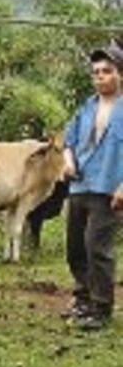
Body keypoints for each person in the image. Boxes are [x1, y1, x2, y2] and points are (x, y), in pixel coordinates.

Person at [61, 43, 123, 331]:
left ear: (120, 74)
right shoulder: (87, 106)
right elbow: (68, 140)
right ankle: (83, 299)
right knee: (75, 247)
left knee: (97, 247)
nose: (100, 77)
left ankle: (101, 306)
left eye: (107, 71)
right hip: (80, 184)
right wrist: (68, 160)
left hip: (109, 188)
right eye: (96, 72)